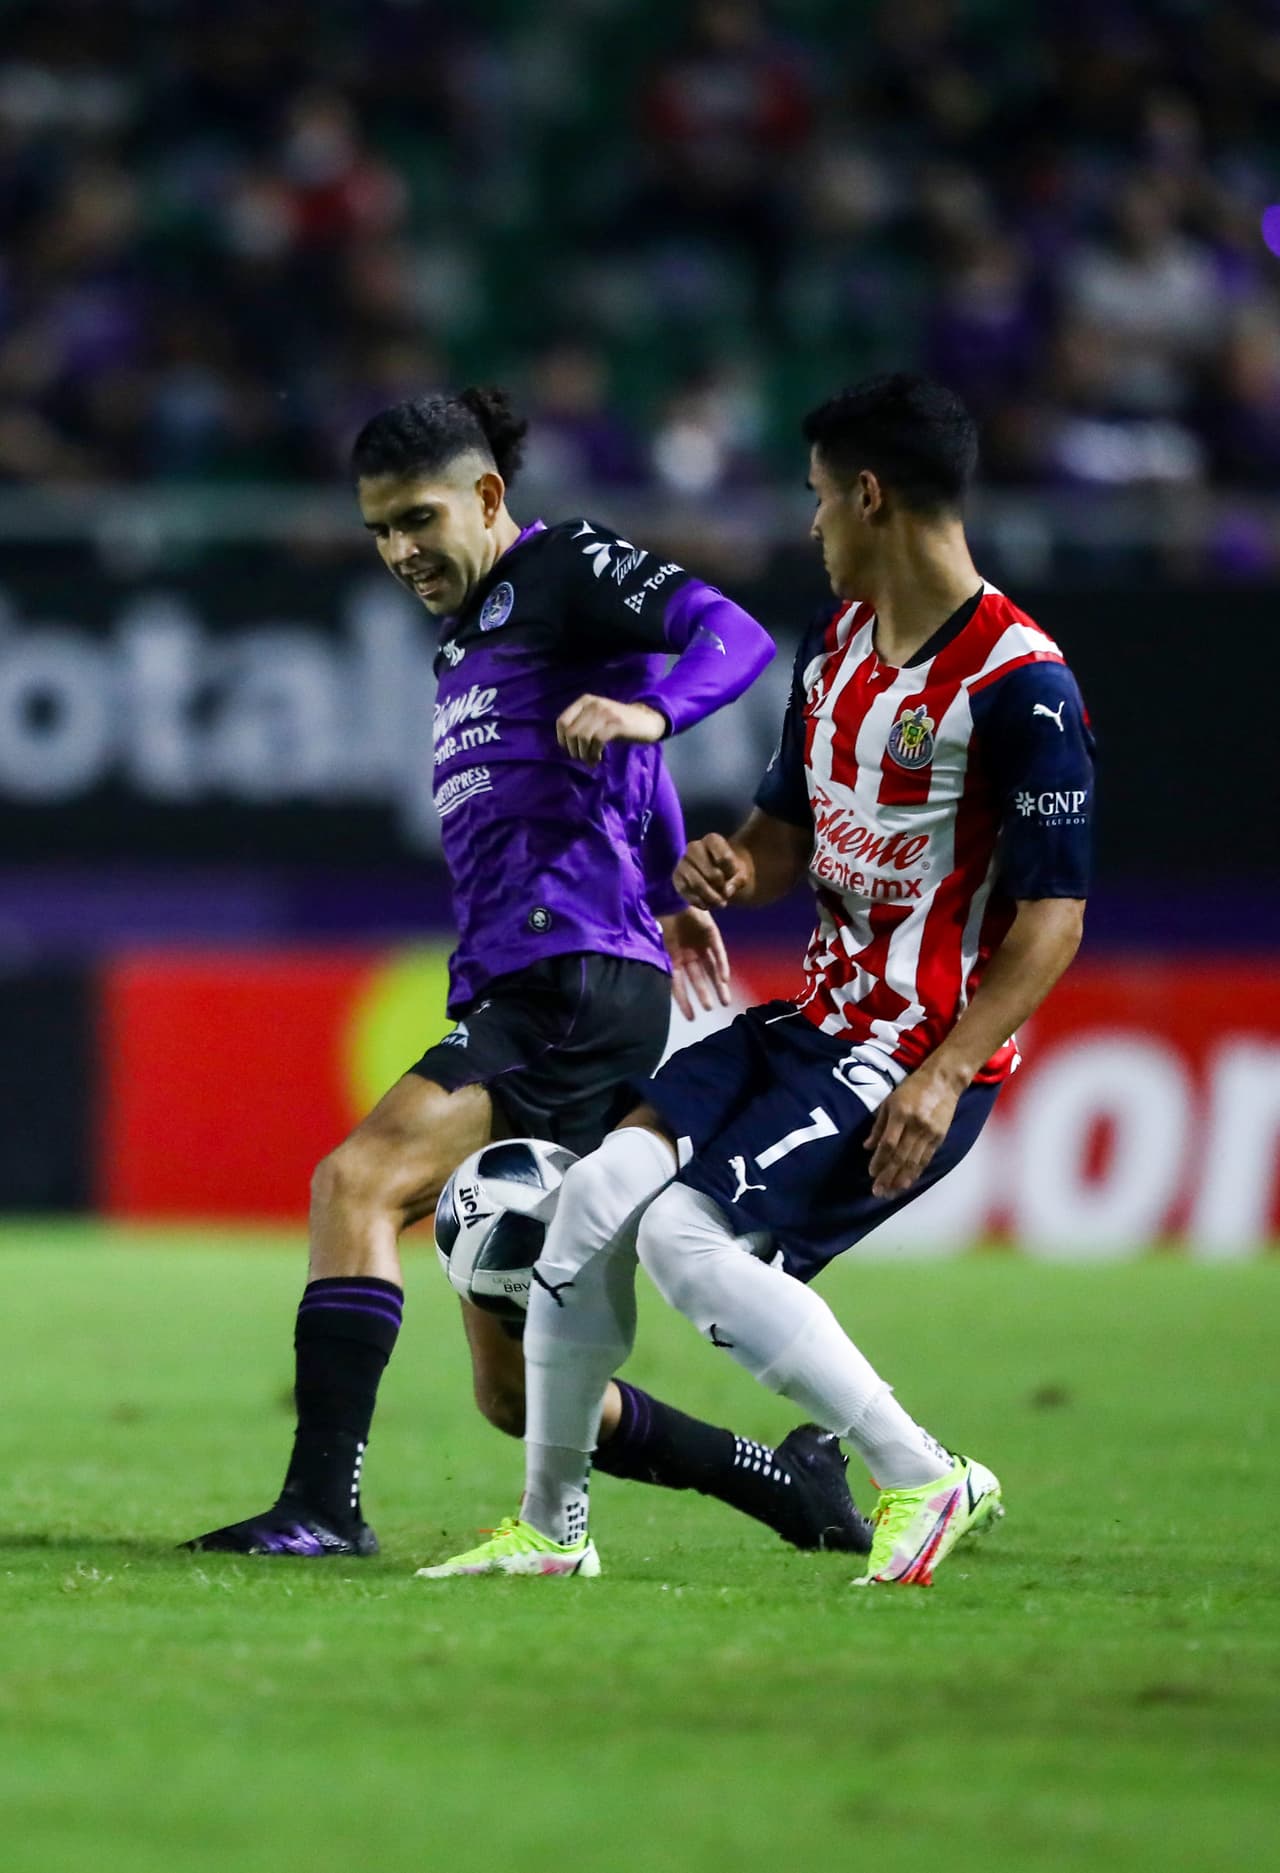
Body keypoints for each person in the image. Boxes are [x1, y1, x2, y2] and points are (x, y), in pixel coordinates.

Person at [421, 372, 1094, 1588]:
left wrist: (939, 1078)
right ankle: (552, 1528)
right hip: (809, 1019)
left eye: (817, 499)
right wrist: (733, 864)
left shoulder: (1019, 685)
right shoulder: (837, 647)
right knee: (589, 1198)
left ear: (869, 495)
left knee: (683, 1240)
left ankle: (919, 1472)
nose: (810, 525)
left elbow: (1052, 920)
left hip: (906, 1047)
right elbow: (786, 833)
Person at [185, 385, 873, 1559]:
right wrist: (664, 883)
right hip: (568, 974)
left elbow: (734, 635)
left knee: (356, 1183)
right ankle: (781, 1483)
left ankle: (321, 1505)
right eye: (379, 532)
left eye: (417, 519)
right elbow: (592, 747)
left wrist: (654, 714)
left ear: (488, 496)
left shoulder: (560, 570)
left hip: (559, 984)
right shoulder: (477, 633)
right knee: (515, 1393)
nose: (400, 551)